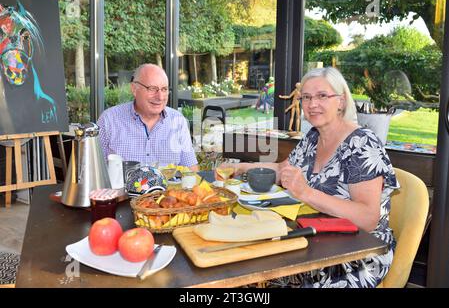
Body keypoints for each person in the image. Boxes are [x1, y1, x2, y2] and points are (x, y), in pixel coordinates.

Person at [217, 67, 399, 288]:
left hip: (357, 252)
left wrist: (306, 193)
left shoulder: (361, 144)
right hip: (316, 239)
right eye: (306, 97)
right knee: (245, 269)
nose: (312, 104)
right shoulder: (313, 137)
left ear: (341, 101)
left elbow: (368, 218)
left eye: (322, 96)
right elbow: (283, 170)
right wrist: (242, 168)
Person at [98, 63, 199, 171]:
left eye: (164, 89)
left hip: (170, 188)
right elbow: (94, 170)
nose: (160, 97)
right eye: (152, 89)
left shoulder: (178, 120)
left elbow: (191, 169)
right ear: (134, 89)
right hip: (121, 188)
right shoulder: (109, 120)